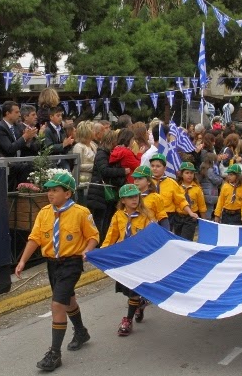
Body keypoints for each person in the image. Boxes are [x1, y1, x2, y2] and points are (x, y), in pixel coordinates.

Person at [15, 172, 99, 372]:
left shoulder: (80, 212)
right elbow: (35, 238)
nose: (50, 194)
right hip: (52, 264)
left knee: (57, 304)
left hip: (71, 263)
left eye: (55, 190)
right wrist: (22, 261)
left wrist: (88, 250)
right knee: (68, 300)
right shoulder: (44, 212)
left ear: (68, 193)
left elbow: (93, 236)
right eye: (49, 190)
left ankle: (54, 353)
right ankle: (81, 331)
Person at [101, 184, 155, 335]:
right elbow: (111, 236)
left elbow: (151, 237)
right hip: (123, 258)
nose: (134, 199)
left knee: (133, 291)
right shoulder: (118, 216)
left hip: (139, 259)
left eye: (136, 196)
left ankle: (128, 320)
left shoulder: (146, 215)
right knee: (126, 290)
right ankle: (140, 303)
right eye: (130, 197)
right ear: (123, 200)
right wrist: (102, 253)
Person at [87, 130, 127, 238]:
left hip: (103, 193)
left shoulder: (106, 153)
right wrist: (123, 171)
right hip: (99, 192)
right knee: (100, 221)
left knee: (106, 220)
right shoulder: (101, 154)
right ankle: (98, 243)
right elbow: (104, 171)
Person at [149, 153, 198, 231]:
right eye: (152, 166)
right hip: (150, 216)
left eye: (158, 166)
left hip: (168, 217)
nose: (154, 168)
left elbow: (181, 201)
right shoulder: (146, 182)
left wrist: (190, 212)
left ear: (164, 168)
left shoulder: (172, 183)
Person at [175, 162, 206, 240]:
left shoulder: (197, 189)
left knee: (186, 239)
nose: (189, 175)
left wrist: (204, 220)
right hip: (178, 217)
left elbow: (201, 205)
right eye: (187, 173)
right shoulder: (176, 187)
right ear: (181, 174)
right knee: (178, 239)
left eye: (192, 173)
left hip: (191, 218)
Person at [198, 152, 222, 220]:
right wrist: (220, 178)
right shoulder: (210, 171)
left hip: (204, 192)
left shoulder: (202, 168)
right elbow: (216, 180)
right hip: (210, 193)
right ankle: (206, 223)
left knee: (204, 210)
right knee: (209, 209)